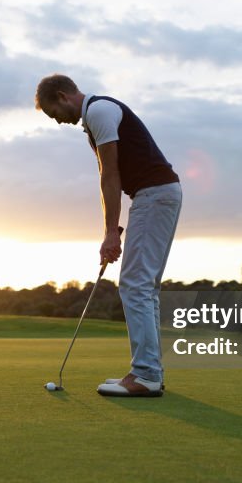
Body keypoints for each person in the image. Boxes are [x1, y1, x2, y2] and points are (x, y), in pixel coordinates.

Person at [35, 74, 182, 397]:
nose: (57, 122)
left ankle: (145, 374)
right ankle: (149, 371)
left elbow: (109, 175)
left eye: (53, 113)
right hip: (154, 194)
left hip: (154, 194)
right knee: (144, 286)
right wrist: (113, 228)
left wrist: (109, 234)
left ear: (62, 96)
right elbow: (113, 177)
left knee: (135, 284)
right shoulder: (97, 116)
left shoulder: (99, 112)